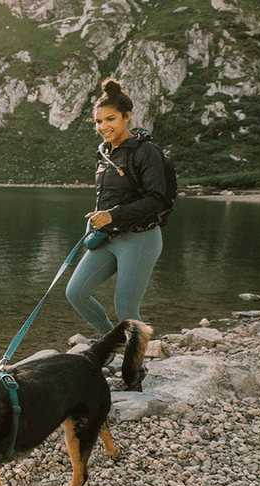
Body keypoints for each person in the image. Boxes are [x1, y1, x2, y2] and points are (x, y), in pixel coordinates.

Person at [65, 78, 167, 337]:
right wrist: (99, 218)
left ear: (127, 116)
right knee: (76, 292)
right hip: (108, 236)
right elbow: (111, 195)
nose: (103, 127)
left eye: (110, 119)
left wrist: (112, 215)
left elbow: (157, 200)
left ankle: (137, 368)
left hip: (140, 239)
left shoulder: (147, 152)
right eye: (99, 121)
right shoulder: (104, 152)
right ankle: (112, 342)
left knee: (126, 307)